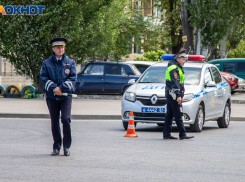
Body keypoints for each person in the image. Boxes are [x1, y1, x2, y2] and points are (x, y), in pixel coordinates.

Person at [40, 37, 77, 155]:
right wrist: (54, 89)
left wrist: (61, 88)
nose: (61, 49)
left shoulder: (71, 62)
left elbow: (73, 78)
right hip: (52, 97)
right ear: (53, 49)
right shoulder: (46, 62)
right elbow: (44, 78)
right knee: (54, 121)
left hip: (65, 96)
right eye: (58, 47)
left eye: (63, 47)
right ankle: (56, 147)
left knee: (65, 119)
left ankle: (66, 146)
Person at [163, 49, 194, 140]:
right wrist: (179, 95)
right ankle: (182, 134)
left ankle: (166, 134)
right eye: (183, 59)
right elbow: (175, 83)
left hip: (171, 93)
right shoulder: (174, 68)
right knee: (178, 114)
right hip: (173, 94)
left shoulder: (176, 67)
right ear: (178, 59)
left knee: (169, 114)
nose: (184, 62)